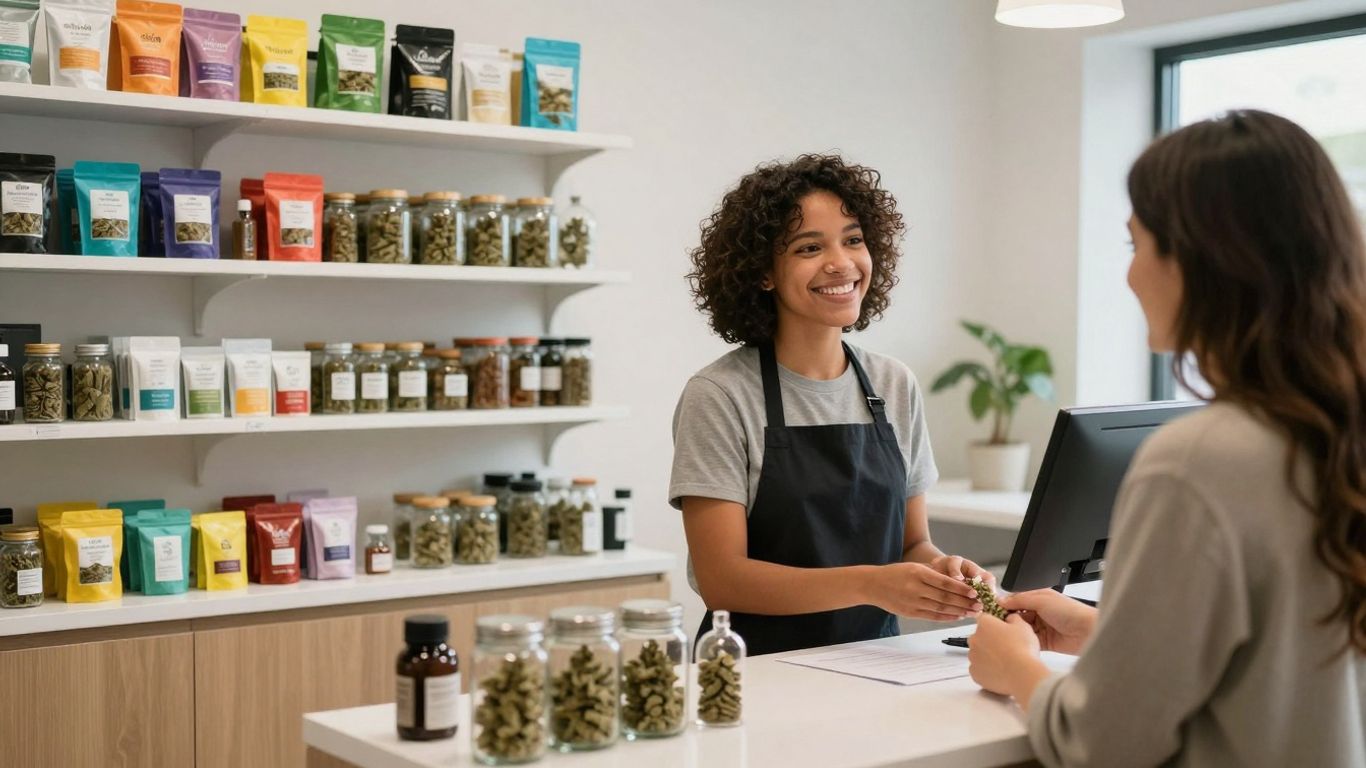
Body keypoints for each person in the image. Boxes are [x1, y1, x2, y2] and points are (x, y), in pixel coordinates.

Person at [967, 110, 1366, 767]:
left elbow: (1103, 744)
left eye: (1135, 246)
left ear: (1199, 259)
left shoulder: (1199, 461)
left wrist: (1015, 670)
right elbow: (1285, 667)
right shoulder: (1332, 432)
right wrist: (1109, 636)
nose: (1129, 276)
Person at [670, 153, 990, 657]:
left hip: (879, 661)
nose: (841, 263)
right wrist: (872, 584)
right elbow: (723, 581)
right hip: (755, 671)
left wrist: (943, 572)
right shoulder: (721, 395)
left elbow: (912, 545)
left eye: (854, 239)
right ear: (764, 273)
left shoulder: (894, 383)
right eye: (809, 247)